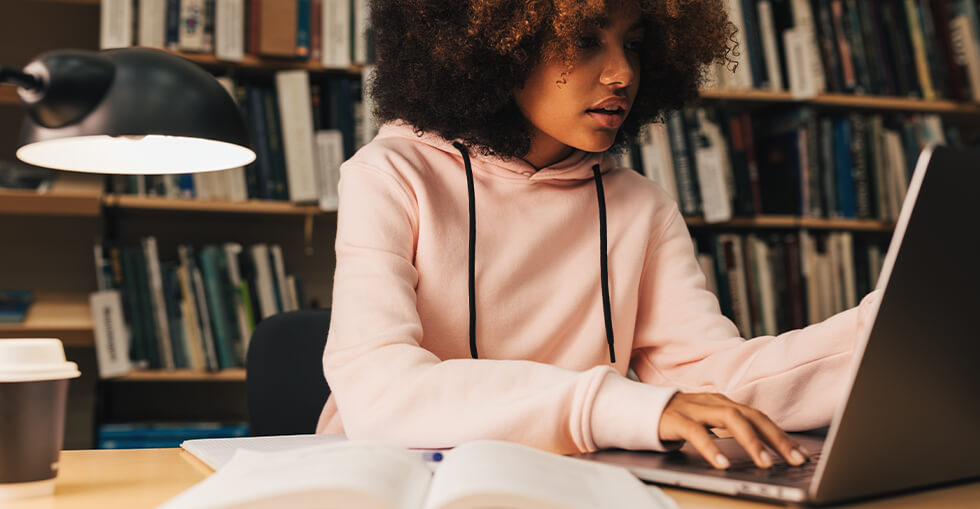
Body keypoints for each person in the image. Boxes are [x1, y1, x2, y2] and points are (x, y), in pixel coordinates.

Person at [315, 0, 881, 471]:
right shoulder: (390, 174)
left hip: (566, 483)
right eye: (586, 39)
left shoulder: (641, 206)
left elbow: (711, 382)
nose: (622, 74)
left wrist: (881, 328)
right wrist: (612, 405)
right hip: (393, 483)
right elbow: (380, 391)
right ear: (499, 46)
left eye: (632, 45)